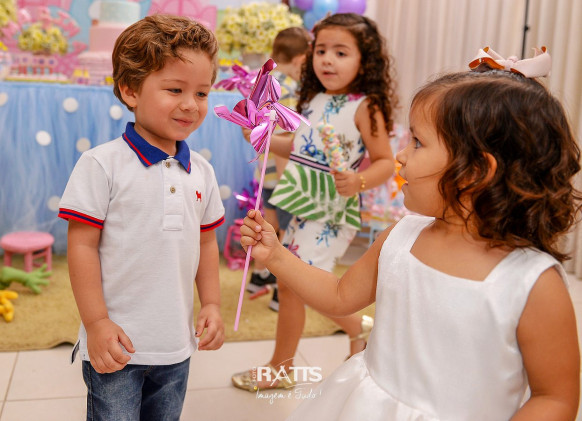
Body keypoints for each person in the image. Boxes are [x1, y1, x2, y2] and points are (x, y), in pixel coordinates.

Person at [239, 60, 582, 419]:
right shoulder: (401, 236)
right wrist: (276, 255)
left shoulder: (532, 284)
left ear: (475, 171)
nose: (401, 156)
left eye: (417, 142)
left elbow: (554, 398)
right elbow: (339, 295)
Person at [58, 15, 225, 420]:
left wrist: (212, 303)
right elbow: (81, 246)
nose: (191, 104)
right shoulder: (101, 163)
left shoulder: (202, 171)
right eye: (175, 89)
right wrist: (96, 322)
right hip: (115, 344)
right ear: (130, 90)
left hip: (175, 346)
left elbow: (206, 242)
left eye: (202, 93)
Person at [232, 13, 397, 391]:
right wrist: (260, 137)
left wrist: (358, 181)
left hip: (331, 210)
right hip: (302, 203)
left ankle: (284, 365)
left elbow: (386, 162)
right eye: (321, 51)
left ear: (365, 61)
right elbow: (297, 146)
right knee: (290, 283)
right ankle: (353, 330)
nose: (327, 60)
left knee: (296, 284)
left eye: (341, 52)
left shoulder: (366, 106)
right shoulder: (314, 99)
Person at [243, 27, 311, 313]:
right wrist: (288, 184)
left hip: (265, 171)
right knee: (286, 233)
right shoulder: (289, 90)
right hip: (283, 176)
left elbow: (253, 129)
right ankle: (282, 293)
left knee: (267, 226)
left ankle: (259, 276)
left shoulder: (263, 83)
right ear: (300, 59)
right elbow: (286, 134)